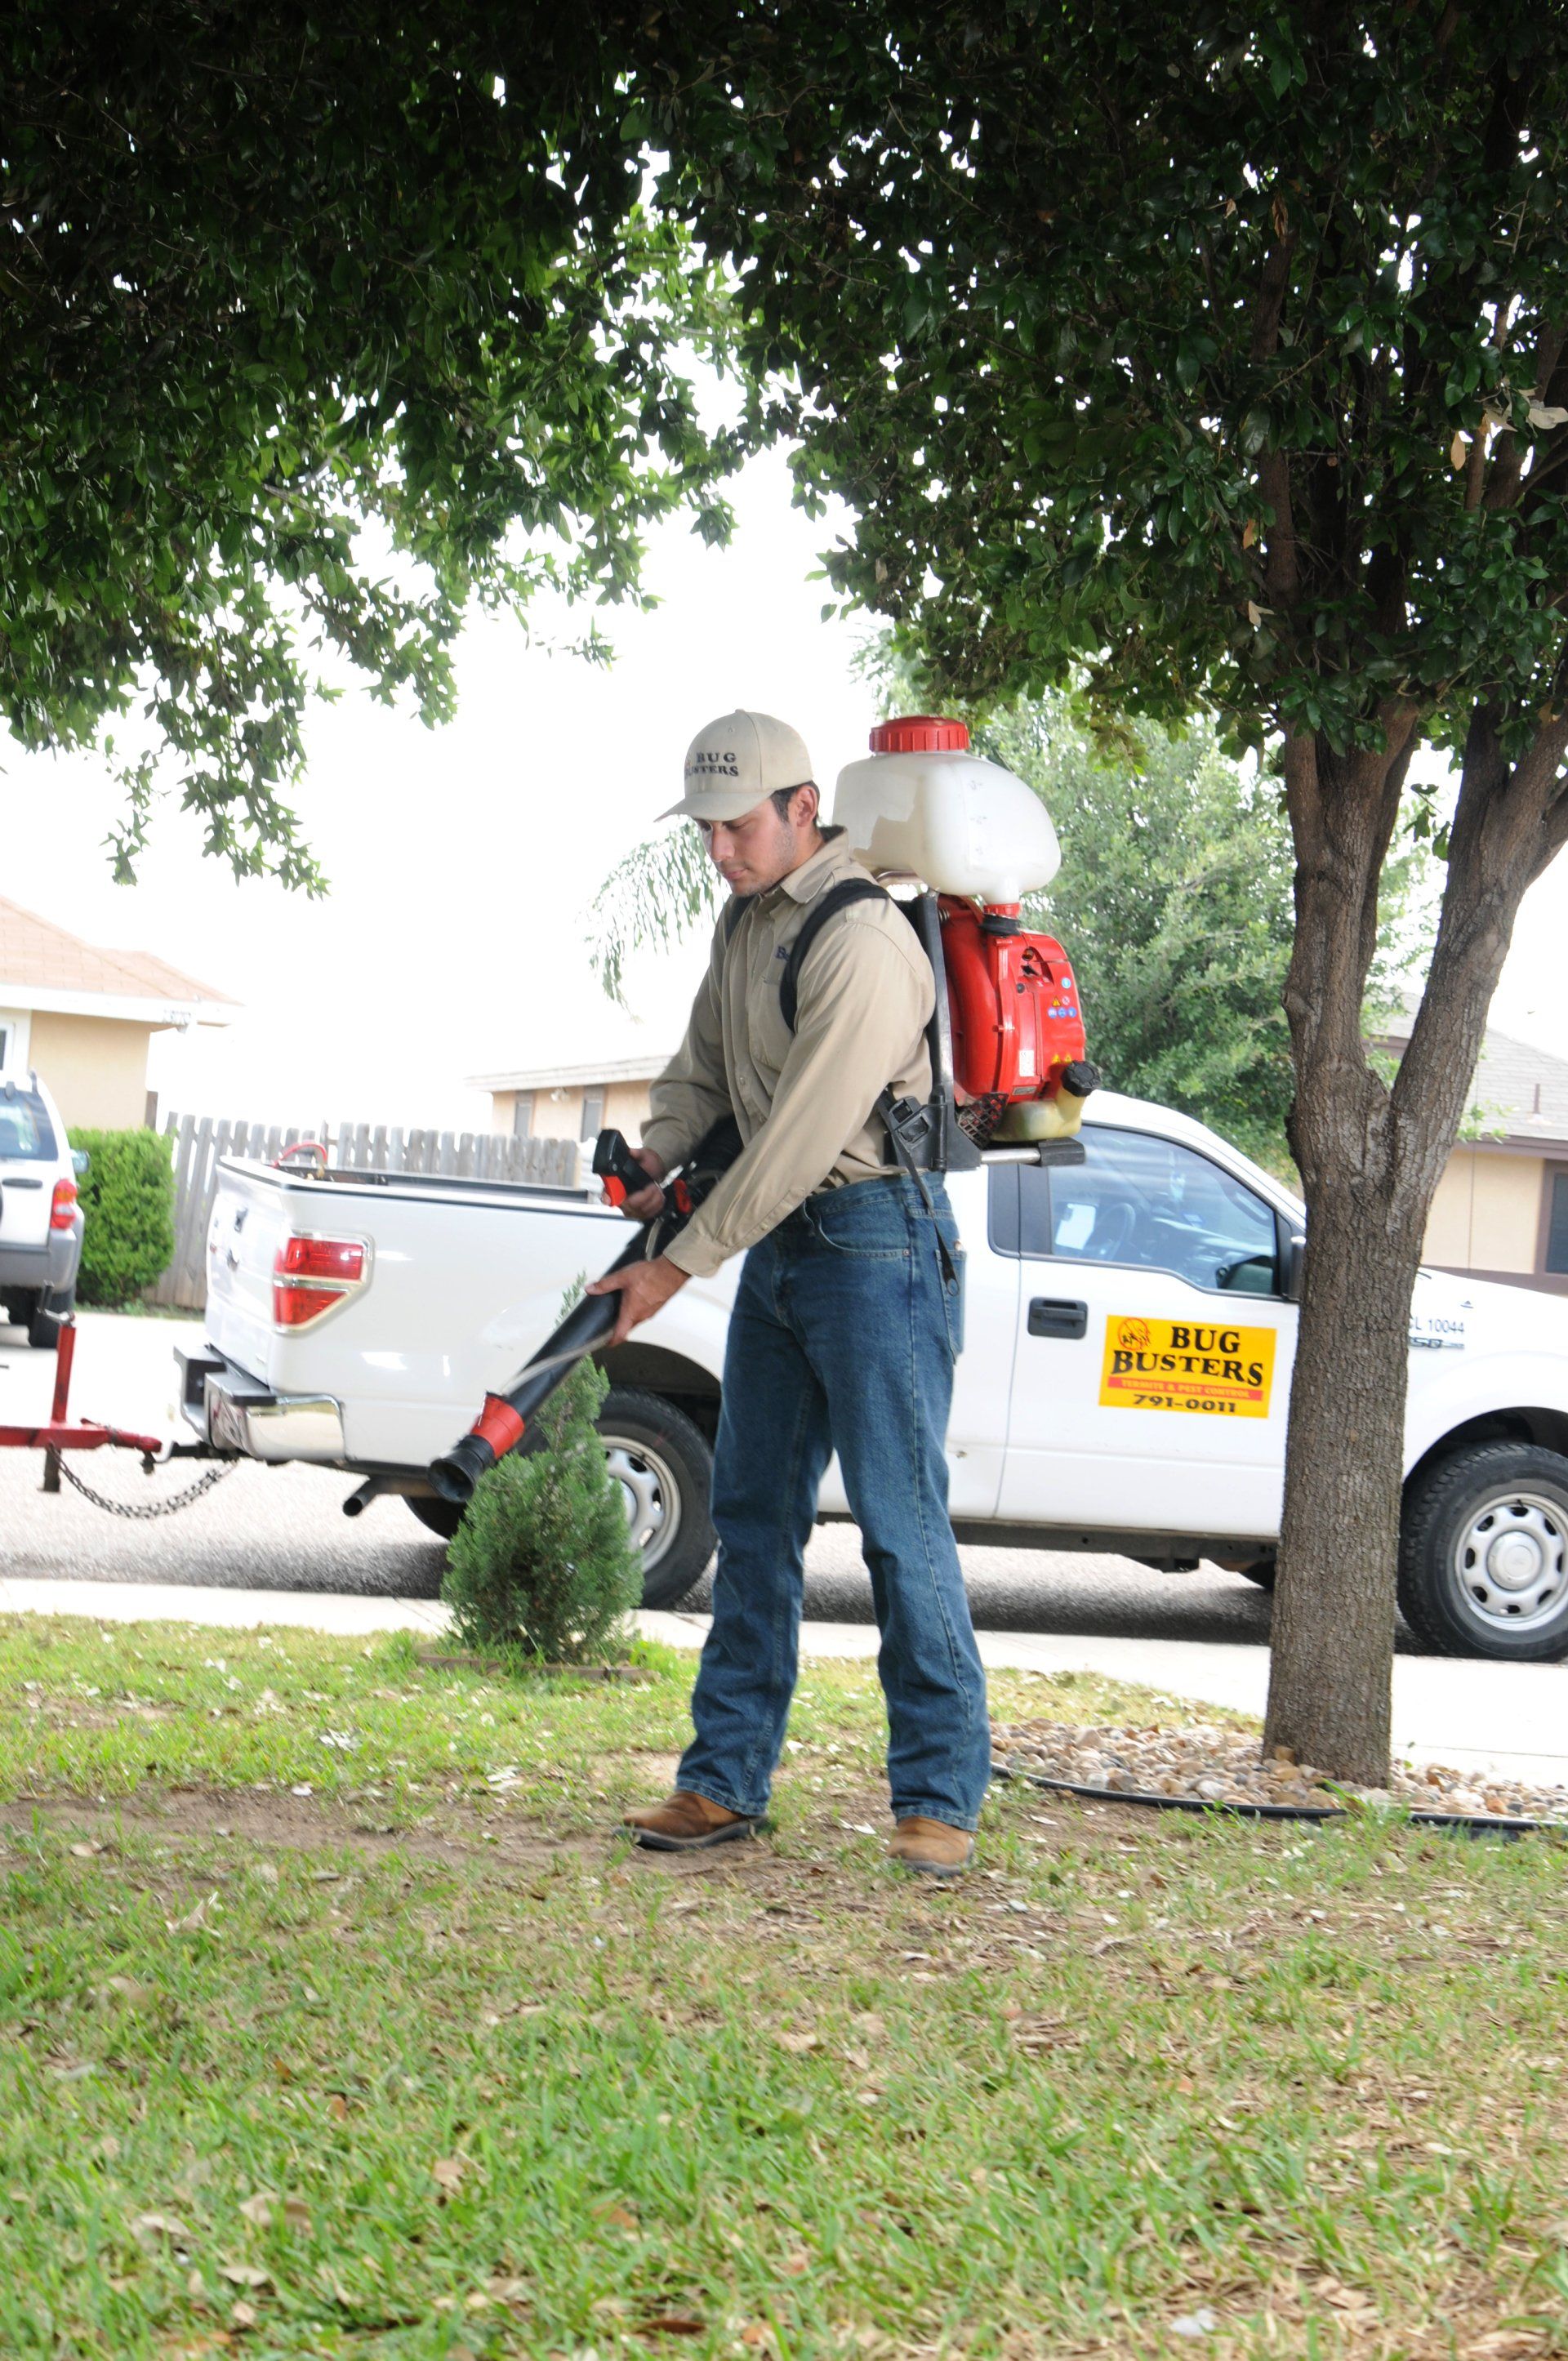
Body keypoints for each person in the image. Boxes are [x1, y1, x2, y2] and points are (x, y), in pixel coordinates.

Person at [587, 709, 989, 1876]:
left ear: (803, 808)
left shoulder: (863, 939)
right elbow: (705, 1072)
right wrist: (656, 1155)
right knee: (755, 1516)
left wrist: (678, 1261)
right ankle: (722, 1784)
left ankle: (939, 1793)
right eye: (707, 832)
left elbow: (803, 1135)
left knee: (899, 1526)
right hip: (782, 1248)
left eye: (737, 827)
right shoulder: (745, 922)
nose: (720, 851)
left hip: (877, 1243)